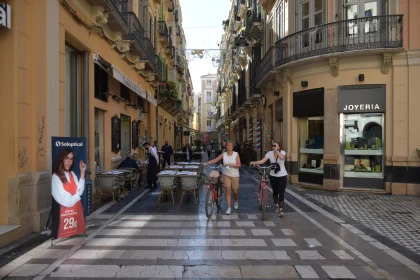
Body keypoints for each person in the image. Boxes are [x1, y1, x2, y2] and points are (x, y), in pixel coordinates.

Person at [51, 148, 86, 239]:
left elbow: (80, 191)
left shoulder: (72, 174)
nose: (69, 161)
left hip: (76, 218)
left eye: (71, 159)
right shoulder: (56, 177)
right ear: (61, 159)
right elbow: (66, 201)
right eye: (67, 158)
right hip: (64, 221)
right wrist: (77, 196)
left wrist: (82, 173)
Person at [250, 141, 287, 217]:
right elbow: (262, 161)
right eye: (273, 145)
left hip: (282, 175)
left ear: (279, 147)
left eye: (275, 145)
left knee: (281, 192)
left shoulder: (282, 152)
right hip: (273, 175)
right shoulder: (270, 153)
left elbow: (282, 158)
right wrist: (254, 162)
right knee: (275, 191)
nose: (273, 147)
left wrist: (277, 151)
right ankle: (276, 205)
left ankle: (281, 210)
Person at [204, 140, 241, 215]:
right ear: (226, 147)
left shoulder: (236, 154)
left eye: (231, 145)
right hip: (226, 174)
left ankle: (236, 201)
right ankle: (229, 207)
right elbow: (216, 160)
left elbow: (239, 165)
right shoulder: (223, 154)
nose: (229, 147)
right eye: (228, 145)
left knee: (235, 191)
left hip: (235, 175)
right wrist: (206, 163)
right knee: (228, 190)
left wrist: (230, 165)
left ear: (232, 147)